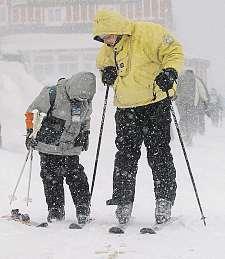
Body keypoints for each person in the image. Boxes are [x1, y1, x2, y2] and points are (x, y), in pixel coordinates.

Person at [92, 10, 184, 224]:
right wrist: (106, 72)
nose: (106, 41)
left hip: (155, 103)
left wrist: (170, 72)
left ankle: (164, 200)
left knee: (159, 153)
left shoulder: (149, 32)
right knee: (125, 155)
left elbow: (174, 51)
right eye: (103, 37)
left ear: (119, 29)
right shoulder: (109, 46)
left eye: (108, 36)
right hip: (126, 107)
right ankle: (123, 201)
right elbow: (102, 63)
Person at [25, 72, 96, 224]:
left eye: (84, 99)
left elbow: (86, 117)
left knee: (76, 176)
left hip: (71, 145)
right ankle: (55, 209)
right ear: (71, 89)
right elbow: (32, 111)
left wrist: (85, 133)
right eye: (77, 98)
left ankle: (83, 206)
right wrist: (30, 132)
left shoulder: (85, 98)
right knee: (51, 177)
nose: (81, 101)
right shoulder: (53, 93)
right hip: (48, 144)